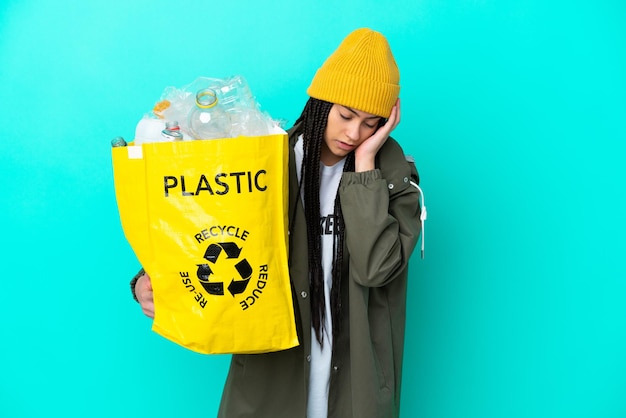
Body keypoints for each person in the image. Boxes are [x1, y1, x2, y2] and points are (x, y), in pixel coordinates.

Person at [130, 28, 422, 418]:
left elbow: (376, 269)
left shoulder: (394, 181)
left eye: (371, 123)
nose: (354, 133)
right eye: (346, 115)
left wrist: (366, 166)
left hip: (356, 390)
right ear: (321, 104)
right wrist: (147, 281)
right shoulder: (264, 164)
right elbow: (211, 232)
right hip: (271, 384)